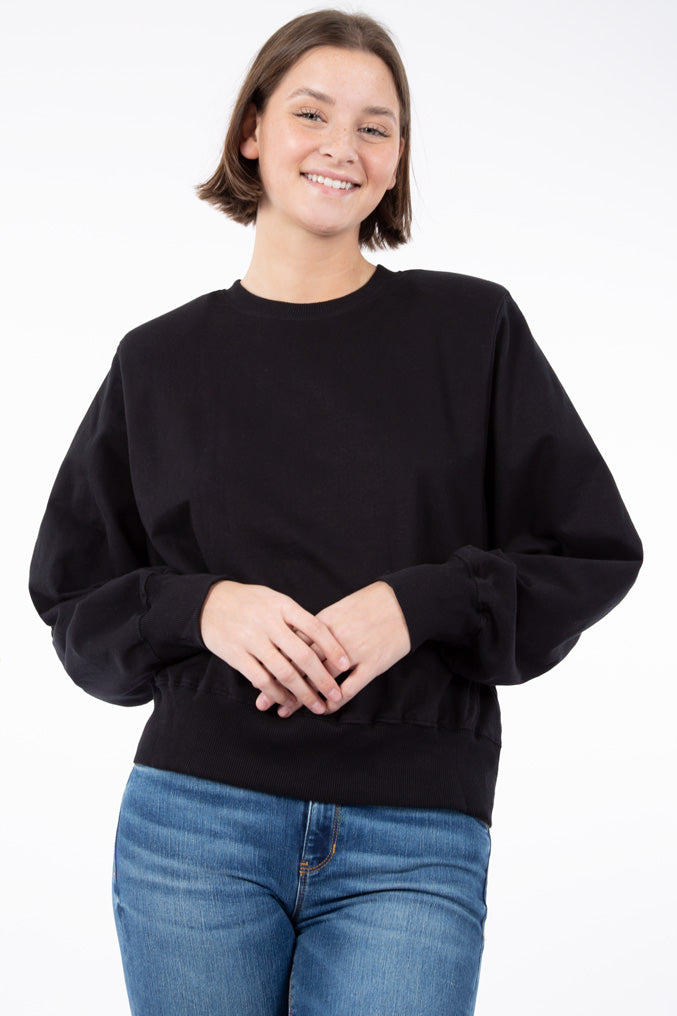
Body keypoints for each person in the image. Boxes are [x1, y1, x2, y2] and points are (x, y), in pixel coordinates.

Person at [28, 8, 643, 1016]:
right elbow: (73, 596)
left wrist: (417, 604)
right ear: (252, 131)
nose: (341, 147)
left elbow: (590, 550)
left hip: (414, 832)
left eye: (375, 126)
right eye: (311, 113)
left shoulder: (471, 329)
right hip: (194, 826)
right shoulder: (158, 361)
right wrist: (202, 607)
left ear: (396, 161)